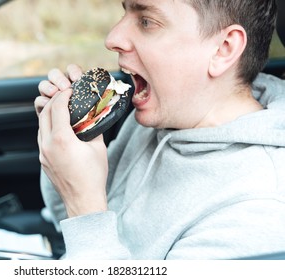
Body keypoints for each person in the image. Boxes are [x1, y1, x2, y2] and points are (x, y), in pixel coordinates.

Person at [34, 0, 285, 259]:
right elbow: (70, 226)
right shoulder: (160, 116)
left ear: (223, 49)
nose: (112, 38)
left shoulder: (257, 212)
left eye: (147, 21)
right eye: (125, 11)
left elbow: (85, 220)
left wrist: (85, 208)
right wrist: (66, 139)